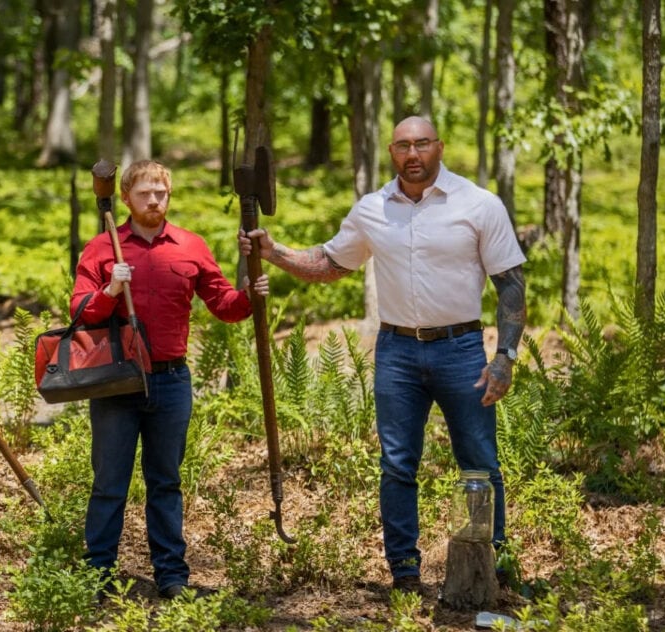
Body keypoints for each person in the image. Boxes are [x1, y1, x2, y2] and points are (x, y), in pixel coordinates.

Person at [241, 116, 527, 595]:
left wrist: (506, 356)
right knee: (397, 463)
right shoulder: (373, 209)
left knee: (479, 462)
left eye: (421, 144)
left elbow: (511, 285)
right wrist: (274, 252)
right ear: (391, 152)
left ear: (439, 146)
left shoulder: (479, 204)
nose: (412, 154)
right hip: (396, 353)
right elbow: (330, 265)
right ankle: (405, 573)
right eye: (402, 146)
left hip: (461, 350)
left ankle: (490, 568)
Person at [72, 160, 269, 599]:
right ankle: (99, 573)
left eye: (161, 192)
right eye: (144, 193)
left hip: (170, 381)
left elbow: (224, 304)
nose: (154, 200)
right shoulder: (102, 249)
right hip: (116, 382)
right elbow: (79, 314)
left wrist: (251, 293)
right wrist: (108, 291)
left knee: (166, 481)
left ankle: (171, 576)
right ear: (125, 198)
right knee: (109, 482)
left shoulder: (189, 246)